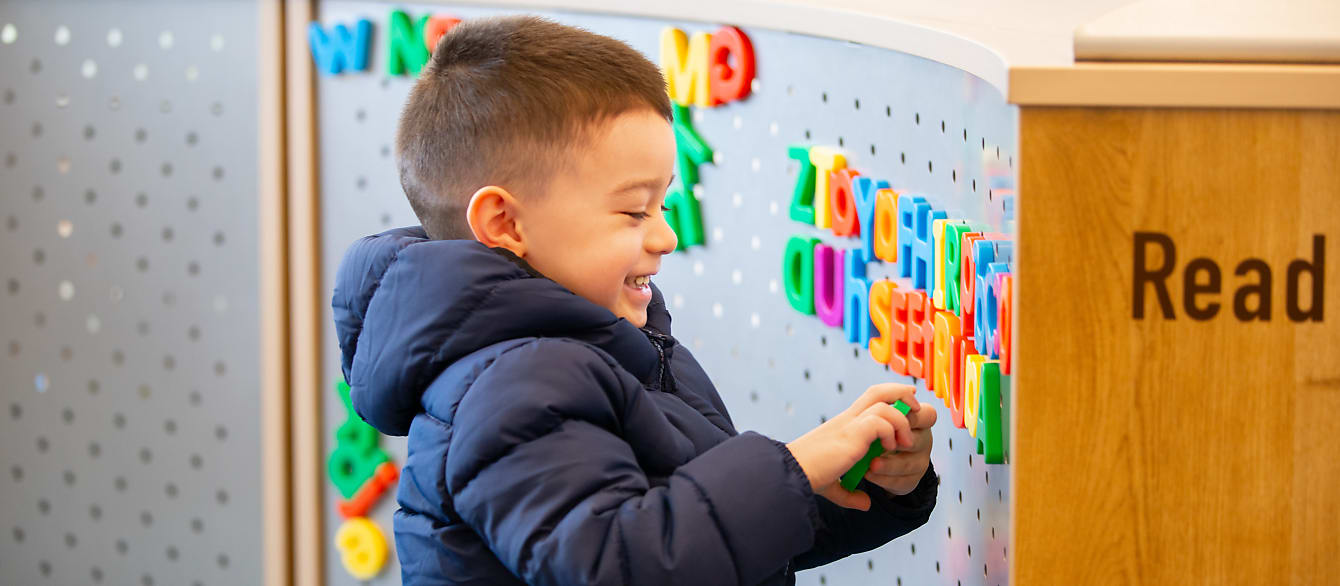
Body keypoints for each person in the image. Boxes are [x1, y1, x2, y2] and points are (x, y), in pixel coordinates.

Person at [332, 14, 938, 586]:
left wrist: (852, 483)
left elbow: (704, 535)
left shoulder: (610, 347)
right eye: (633, 211)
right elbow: (621, 562)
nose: (665, 236)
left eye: (664, 205)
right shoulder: (515, 384)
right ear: (505, 223)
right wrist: (794, 469)